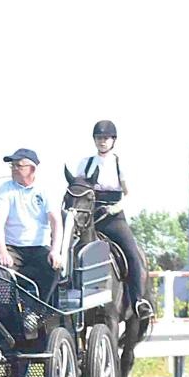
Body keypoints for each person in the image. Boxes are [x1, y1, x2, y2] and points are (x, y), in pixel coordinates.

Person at [75, 120, 151, 321]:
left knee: (133, 255)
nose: (102, 141)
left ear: (113, 140)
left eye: (106, 138)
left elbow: (129, 194)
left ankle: (138, 301)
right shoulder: (85, 163)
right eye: (99, 138)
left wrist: (115, 208)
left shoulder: (119, 163)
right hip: (90, 219)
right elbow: (78, 190)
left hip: (114, 218)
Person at [0, 148, 62, 302]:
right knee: (0, 271)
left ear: (32, 169)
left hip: (39, 247)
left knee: (53, 267)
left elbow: (56, 222)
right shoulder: (6, 189)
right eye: (13, 166)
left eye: (18, 166)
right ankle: (5, 312)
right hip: (13, 248)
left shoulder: (45, 189)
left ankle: (41, 310)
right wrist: (2, 252)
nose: (14, 169)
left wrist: (55, 251)